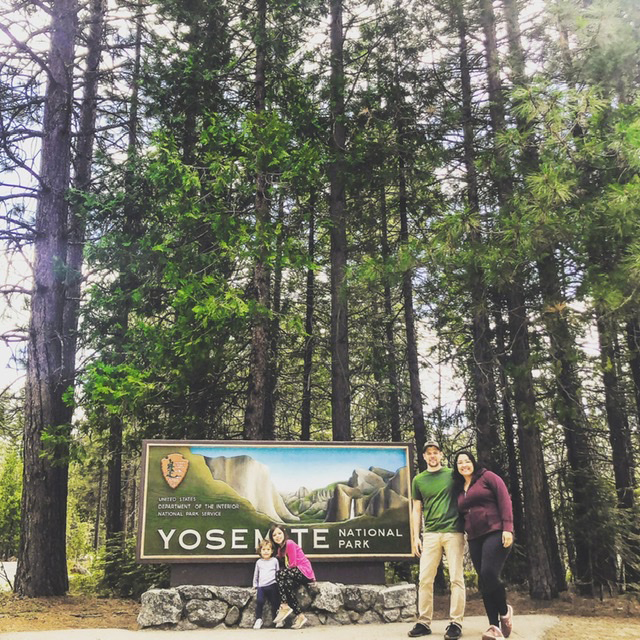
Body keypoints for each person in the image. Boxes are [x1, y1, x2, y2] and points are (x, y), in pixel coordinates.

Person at [453, 451, 514, 640]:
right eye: (460, 463)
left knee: (489, 573)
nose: (464, 465)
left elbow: (504, 499)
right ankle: (494, 627)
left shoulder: (488, 477)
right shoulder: (459, 488)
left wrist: (508, 528)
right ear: (456, 467)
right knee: (483, 580)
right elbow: (461, 515)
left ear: (473, 462)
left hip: (495, 531)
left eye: (467, 461)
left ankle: (505, 612)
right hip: (474, 537)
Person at [409, 440, 465, 640]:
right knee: (425, 579)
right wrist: (416, 537)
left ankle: (456, 623)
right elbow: (417, 509)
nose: (432, 456)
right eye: (429, 453)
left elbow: (468, 492)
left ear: (441, 455)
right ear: (424, 457)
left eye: (435, 452)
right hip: (430, 533)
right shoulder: (419, 480)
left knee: (456, 578)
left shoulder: (452, 475)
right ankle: (424, 622)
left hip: (453, 532)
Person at [269, 523, 315, 629]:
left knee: (279, 574)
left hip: (303, 571)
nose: (277, 536)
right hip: (294, 574)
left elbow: (292, 564)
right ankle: (300, 616)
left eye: (279, 533)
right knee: (287, 584)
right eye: (274, 535)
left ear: (284, 533)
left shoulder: (289, 543)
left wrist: (283, 573)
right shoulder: (280, 550)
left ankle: (284, 605)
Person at [252, 538, 280, 629]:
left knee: (275, 602)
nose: (266, 551)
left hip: (272, 585)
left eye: (268, 549)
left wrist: (278, 583)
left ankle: (278, 620)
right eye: (263, 549)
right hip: (261, 586)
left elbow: (278, 572)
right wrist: (255, 585)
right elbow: (256, 574)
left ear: (272, 551)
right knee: (260, 601)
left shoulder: (274, 561)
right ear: (260, 551)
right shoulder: (259, 562)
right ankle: (258, 619)